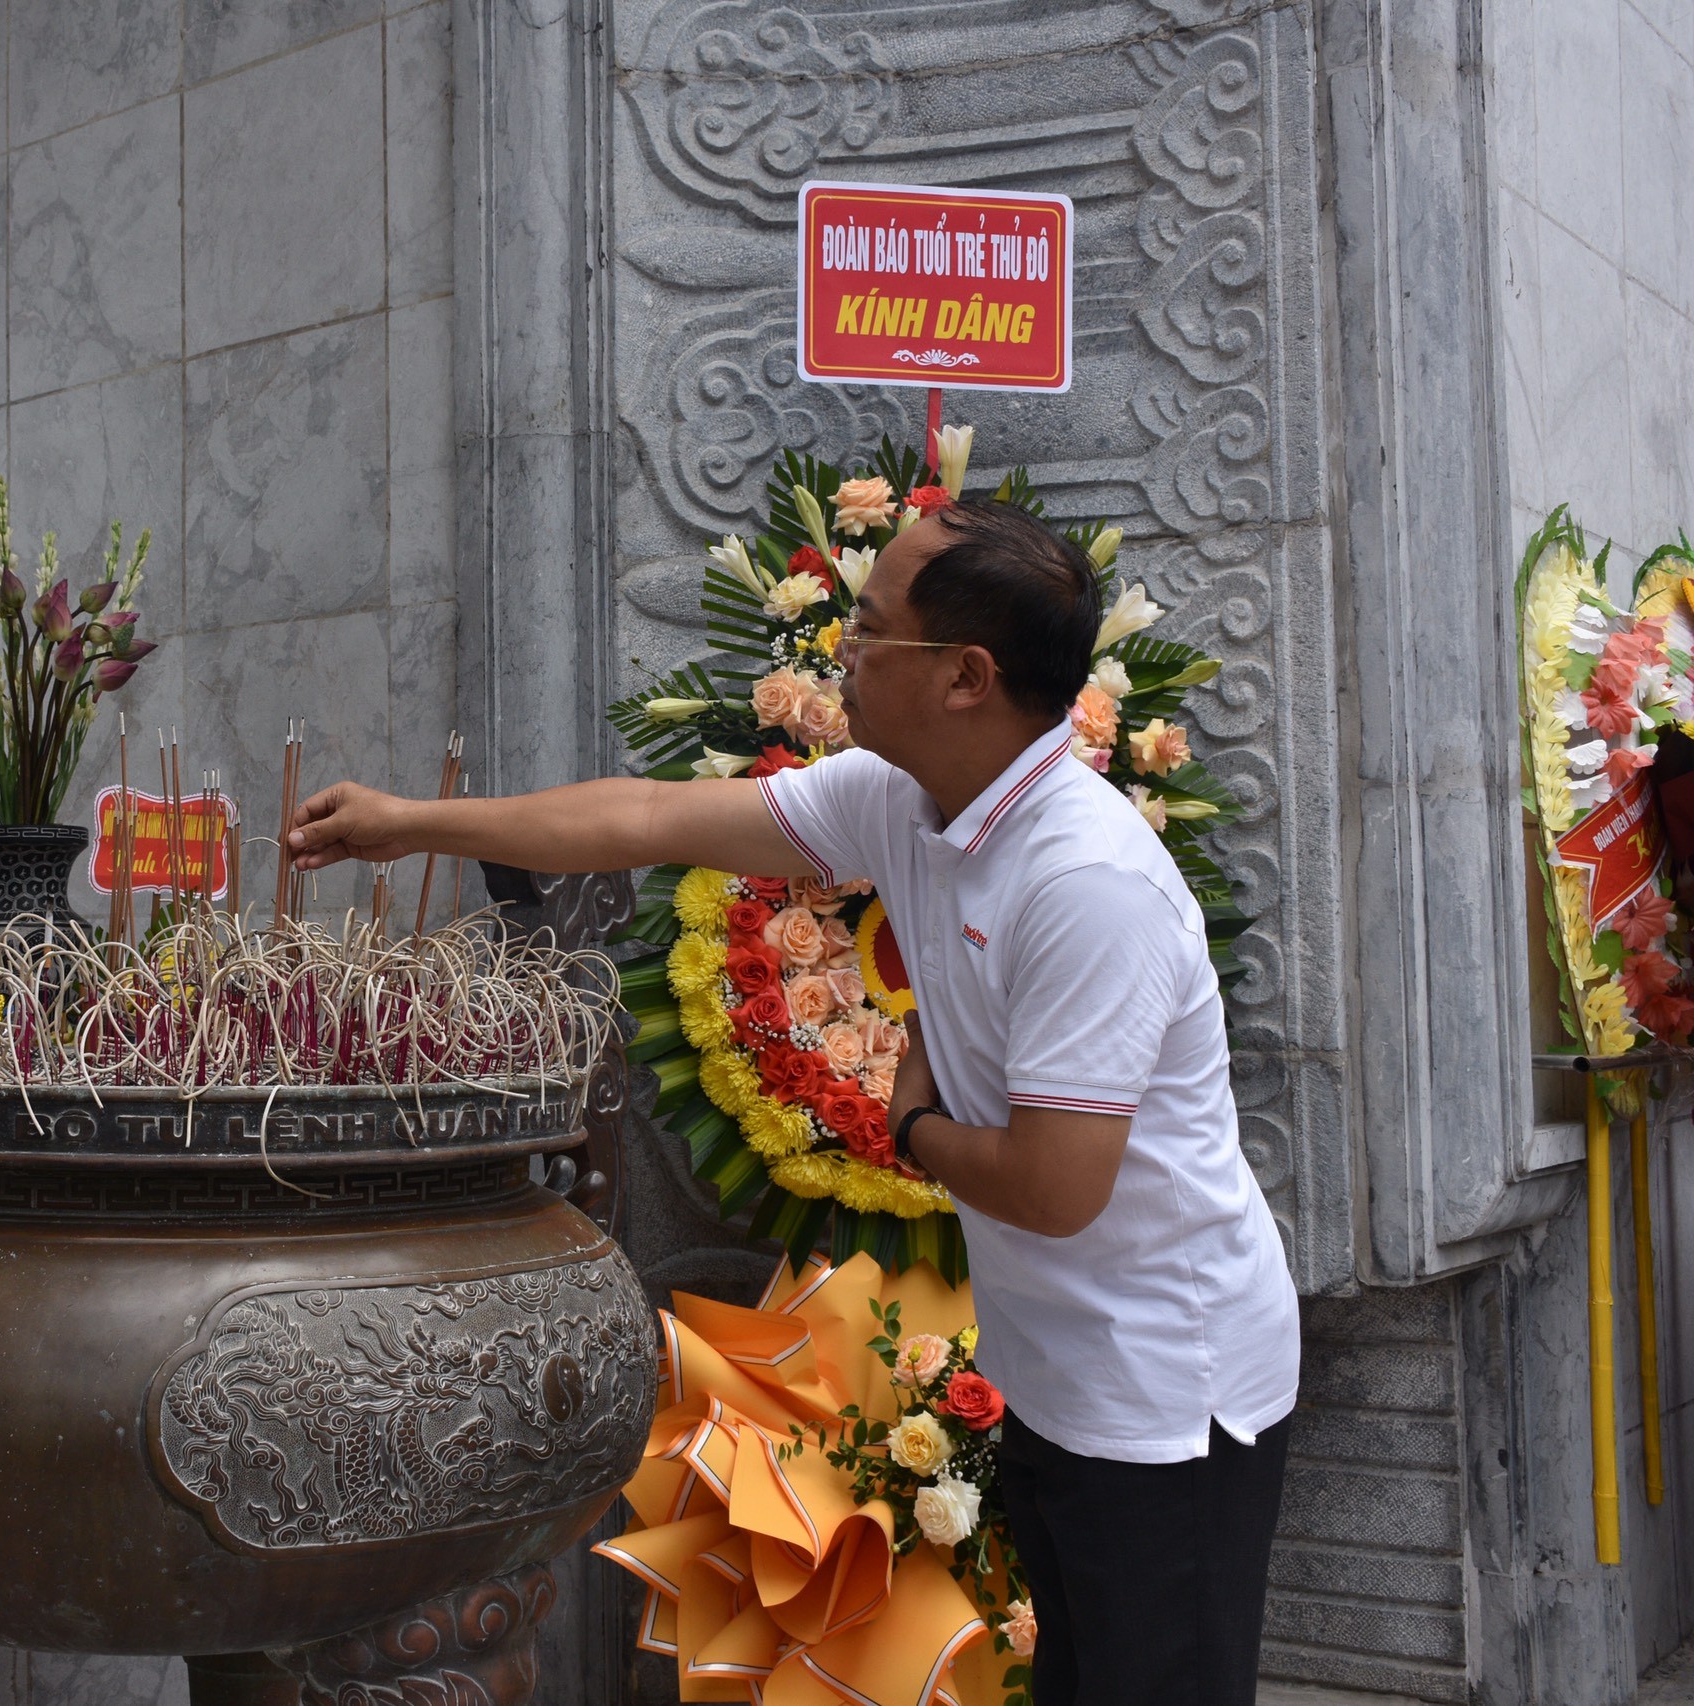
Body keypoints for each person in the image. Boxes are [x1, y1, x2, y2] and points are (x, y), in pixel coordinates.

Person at [284, 498, 1302, 1705]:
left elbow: (1056, 1186)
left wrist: (910, 1121)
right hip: (1062, 1371)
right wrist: (411, 825)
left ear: (968, 676)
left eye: (871, 631)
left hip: (1163, 1400)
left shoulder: (1085, 884)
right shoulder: (900, 797)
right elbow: (646, 818)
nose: (842, 654)